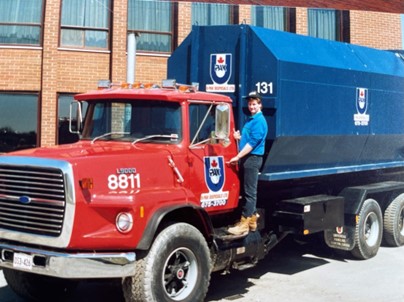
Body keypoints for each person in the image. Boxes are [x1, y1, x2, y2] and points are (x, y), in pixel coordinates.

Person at [227, 91, 268, 236]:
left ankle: (244, 224)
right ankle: (252, 220)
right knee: (246, 190)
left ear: (260, 105)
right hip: (247, 158)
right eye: (250, 104)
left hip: (252, 159)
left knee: (250, 192)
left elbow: (252, 144)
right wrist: (239, 137)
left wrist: (237, 156)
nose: (252, 107)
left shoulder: (259, 121)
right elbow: (247, 139)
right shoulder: (251, 120)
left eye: (255, 104)